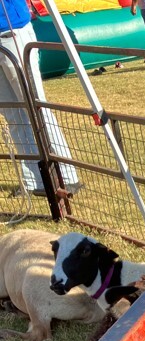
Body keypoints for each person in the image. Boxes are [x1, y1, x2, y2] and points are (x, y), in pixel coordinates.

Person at [0, 0, 81, 196]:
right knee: (13, 114)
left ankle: (67, 176)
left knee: (37, 108)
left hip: (13, 33)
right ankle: (33, 180)